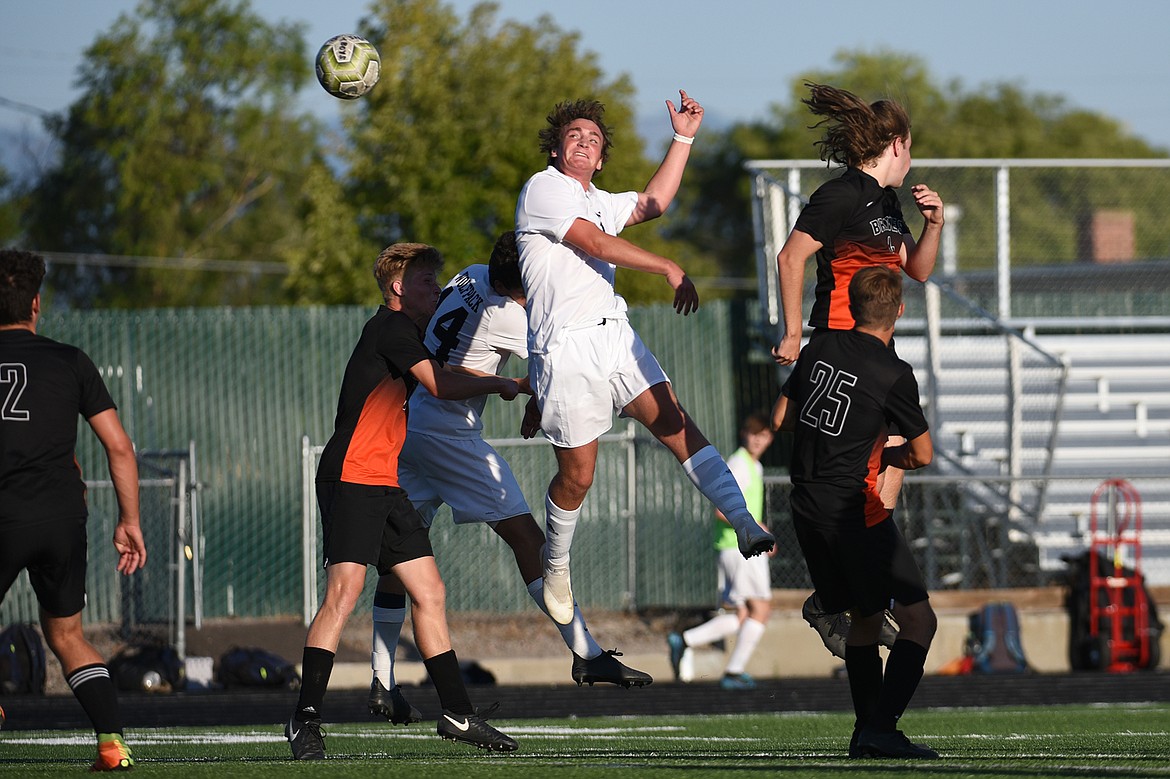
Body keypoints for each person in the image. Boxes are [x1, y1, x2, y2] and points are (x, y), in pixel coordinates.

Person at [366, 233, 650, 725]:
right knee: (529, 539)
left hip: (410, 424)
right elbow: (554, 366)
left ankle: (382, 680)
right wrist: (539, 398)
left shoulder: (470, 274)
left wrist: (530, 396)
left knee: (400, 559)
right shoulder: (514, 315)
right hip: (450, 435)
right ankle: (585, 651)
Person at [515, 92, 774, 627]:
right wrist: (668, 266)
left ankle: (744, 521)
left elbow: (653, 202)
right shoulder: (544, 189)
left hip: (614, 336)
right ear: (558, 148)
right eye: (574, 136)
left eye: (594, 139)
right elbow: (597, 245)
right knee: (579, 477)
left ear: (602, 157)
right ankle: (556, 564)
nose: (584, 143)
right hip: (564, 349)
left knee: (678, 424)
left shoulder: (597, 198)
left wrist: (683, 137)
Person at [288, 243, 521, 760]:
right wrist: (504, 381)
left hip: (383, 481)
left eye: (437, 280)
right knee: (342, 596)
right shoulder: (391, 331)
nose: (435, 289)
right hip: (351, 476)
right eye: (424, 281)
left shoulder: (410, 332)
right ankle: (303, 719)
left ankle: (458, 712)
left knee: (430, 591)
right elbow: (438, 385)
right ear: (397, 288)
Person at [770, 82, 943, 652]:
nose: (913, 159)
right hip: (841, 345)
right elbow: (791, 255)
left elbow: (915, 271)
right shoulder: (840, 194)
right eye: (911, 148)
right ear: (897, 144)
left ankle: (843, 593)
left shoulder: (888, 205)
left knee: (890, 460)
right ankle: (841, 593)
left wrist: (934, 224)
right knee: (844, 464)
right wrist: (795, 333)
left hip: (878, 349)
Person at [772, 266, 937, 759]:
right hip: (854, 509)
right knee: (919, 622)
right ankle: (881, 727)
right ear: (899, 312)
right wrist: (884, 454)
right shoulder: (894, 372)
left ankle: (866, 733)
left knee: (866, 618)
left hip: (806, 504)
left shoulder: (820, 347)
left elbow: (782, 419)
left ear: (851, 305)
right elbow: (923, 454)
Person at [0, 249, 146, 772]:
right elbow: (120, 448)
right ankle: (112, 743)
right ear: (36, 304)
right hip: (63, 517)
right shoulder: (70, 360)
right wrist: (129, 521)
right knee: (66, 635)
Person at [668, 413, 775, 690]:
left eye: (763, 435)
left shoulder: (753, 465)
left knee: (742, 615)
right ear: (745, 435)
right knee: (760, 609)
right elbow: (720, 508)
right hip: (741, 548)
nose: (758, 440)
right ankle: (734, 672)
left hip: (735, 548)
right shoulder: (740, 463)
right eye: (753, 434)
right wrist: (757, 528)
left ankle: (686, 640)